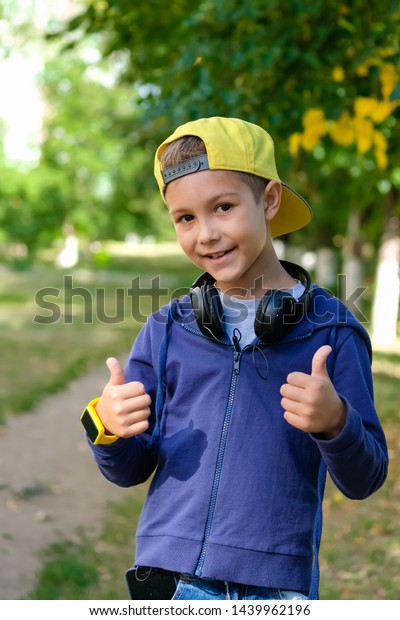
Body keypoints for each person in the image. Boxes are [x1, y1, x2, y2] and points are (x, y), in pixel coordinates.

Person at [80, 116, 388, 601]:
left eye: (222, 207)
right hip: (168, 578)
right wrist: (110, 428)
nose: (205, 234)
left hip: (275, 589)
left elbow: (366, 478)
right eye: (185, 218)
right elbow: (128, 470)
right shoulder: (166, 330)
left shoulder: (333, 332)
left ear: (268, 201)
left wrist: (336, 423)